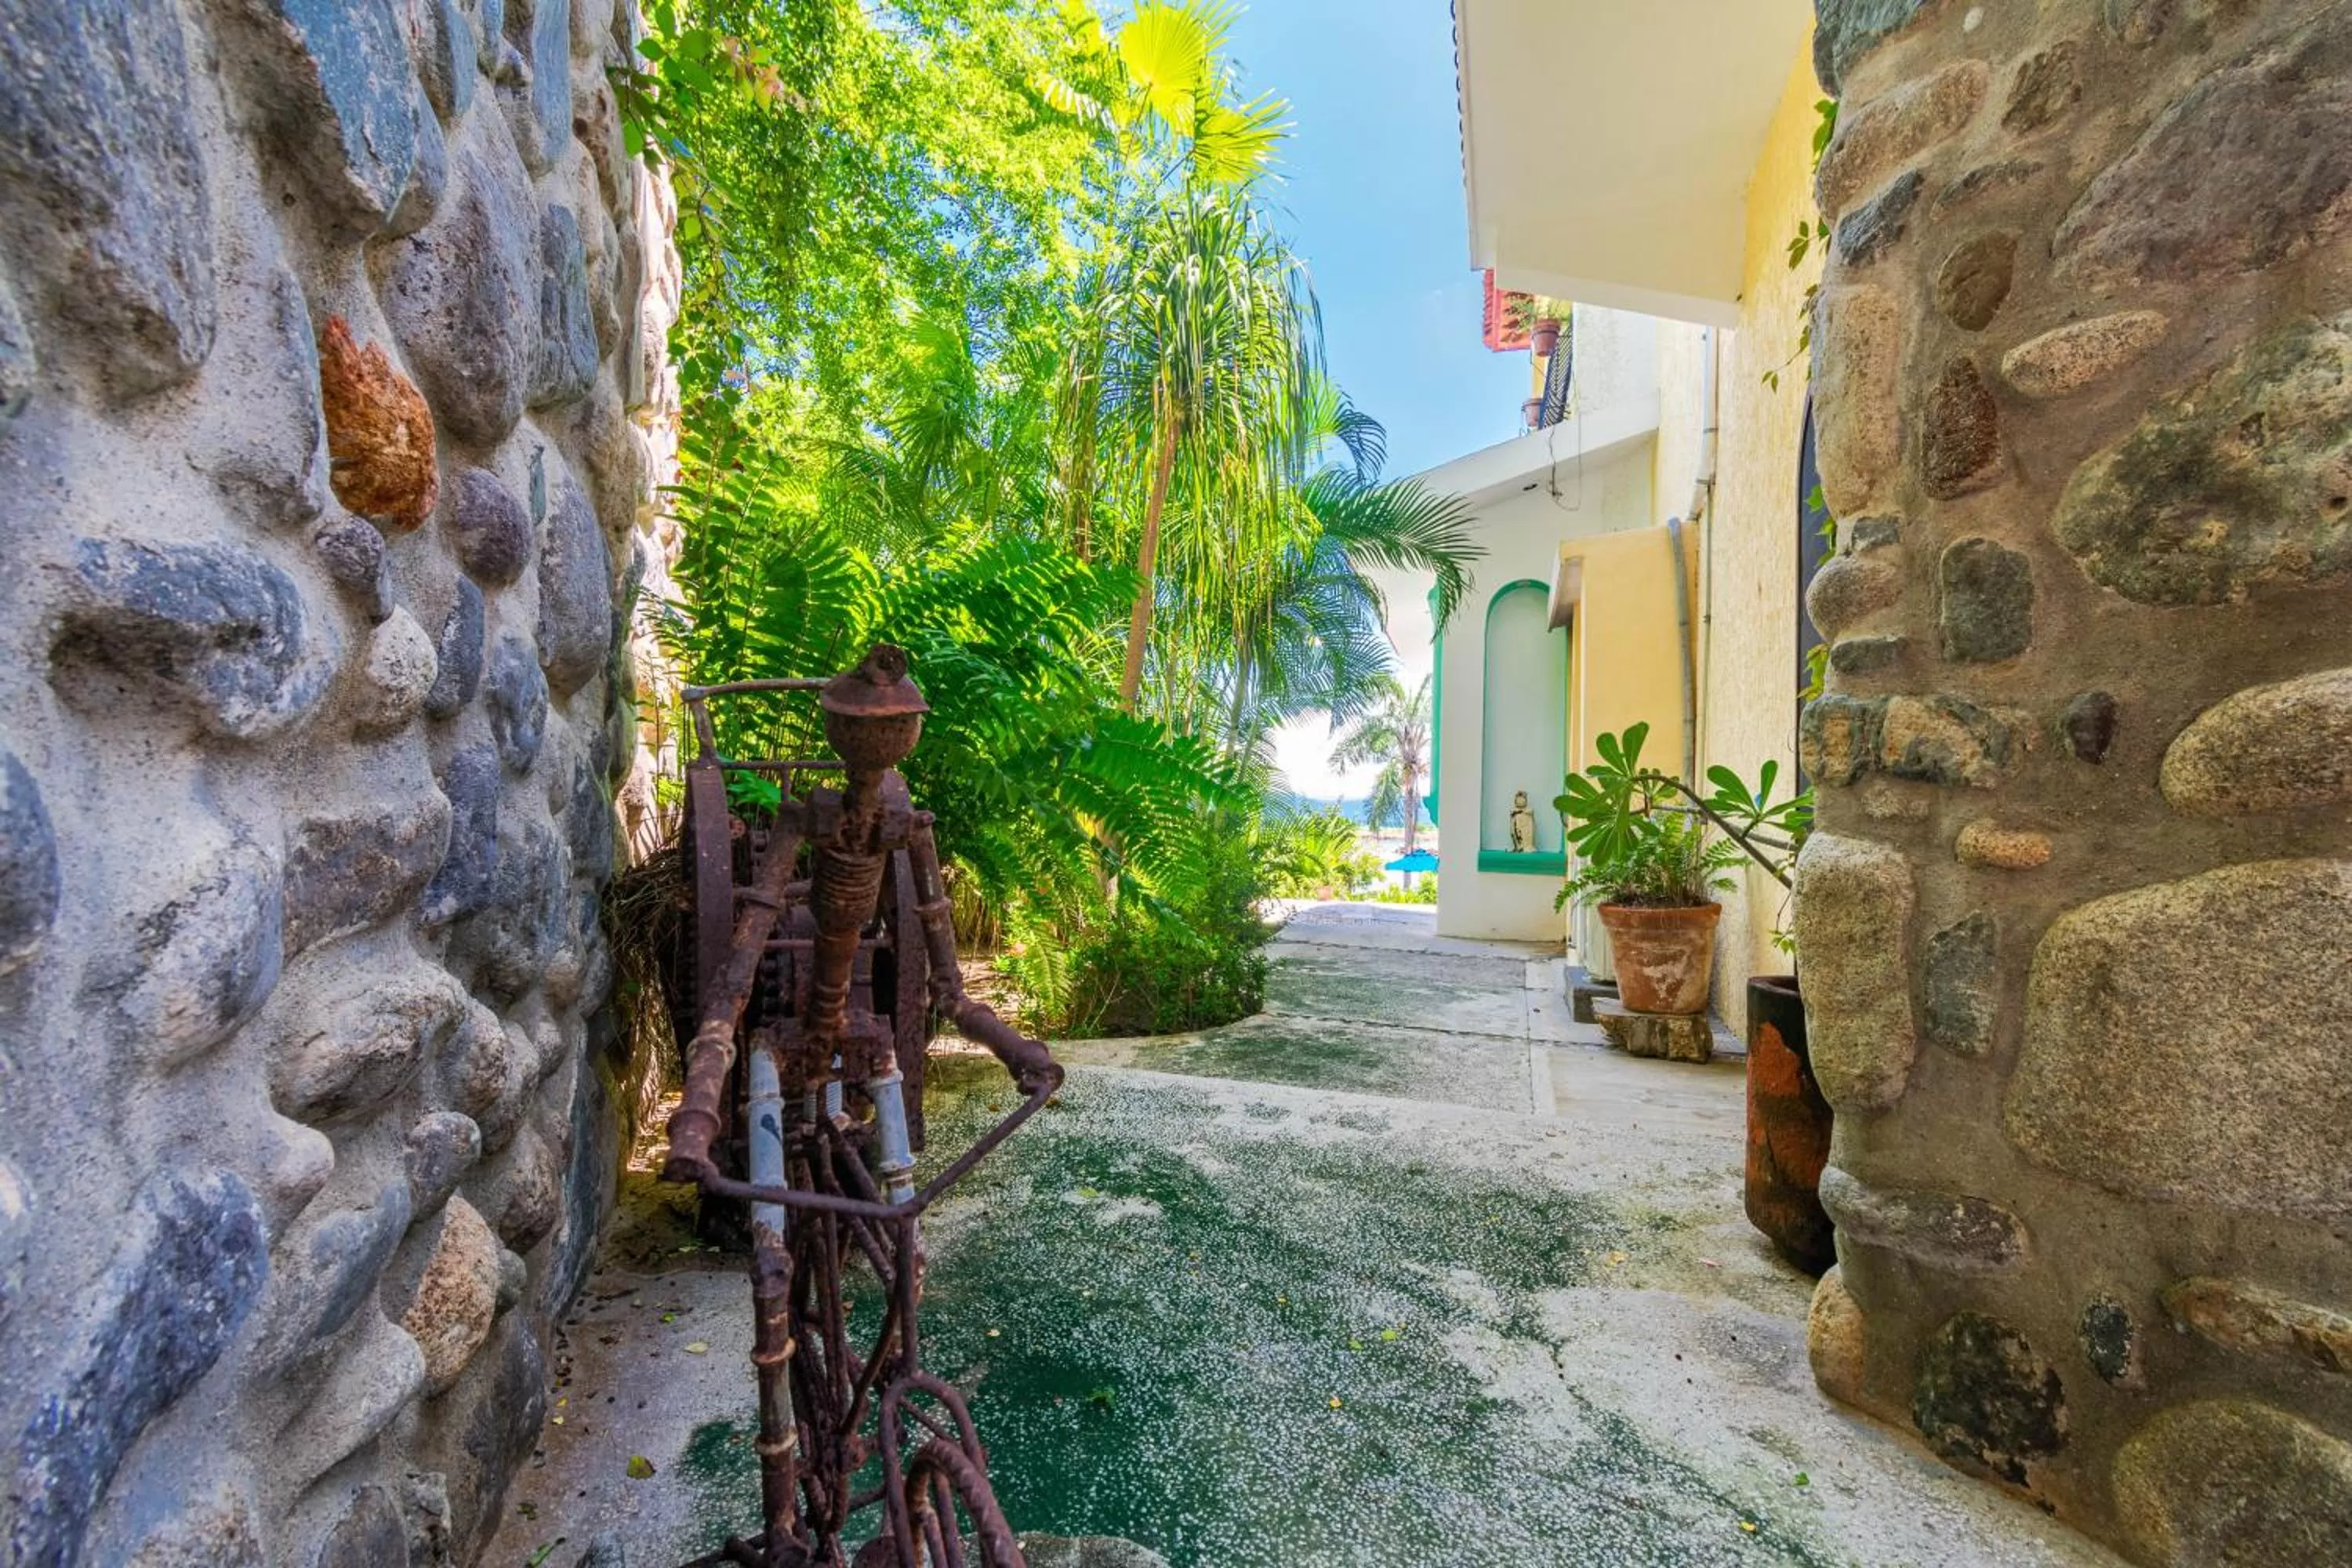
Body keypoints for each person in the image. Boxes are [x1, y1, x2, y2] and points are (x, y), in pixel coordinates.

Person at [1508, 789, 1537, 853]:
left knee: (1526, 837)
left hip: (1526, 829)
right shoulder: (1514, 811)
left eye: (1522, 800)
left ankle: (1526, 847)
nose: (1520, 802)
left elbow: (1530, 812)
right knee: (1515, 834)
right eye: (1518, 800)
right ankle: (1518, 846)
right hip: (1518, 827)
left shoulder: (1529, 810)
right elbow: (1512, 814)